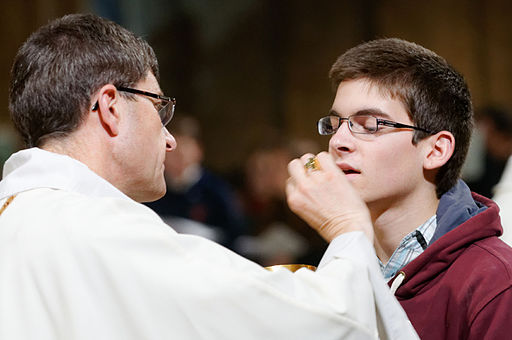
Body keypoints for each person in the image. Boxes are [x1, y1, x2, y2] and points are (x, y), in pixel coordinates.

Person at [0, 14, 417, 340]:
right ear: (110, 107)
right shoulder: (102, 233)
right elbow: (320, 324)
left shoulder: (19, 218)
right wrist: (348, 230)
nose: (168, 140)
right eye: (159, 107)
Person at [286, 38, 512, 340]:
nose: (338, 141)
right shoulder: (340, 263)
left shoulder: (494, 283)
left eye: (370, 125)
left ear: (435, 150)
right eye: (335, 123)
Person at [146, 115, 245, 249]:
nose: (179, 153)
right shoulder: (150, 188)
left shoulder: (216, 190)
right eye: (171, 148)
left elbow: (235, 235)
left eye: (186, 145)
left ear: (198, 150)